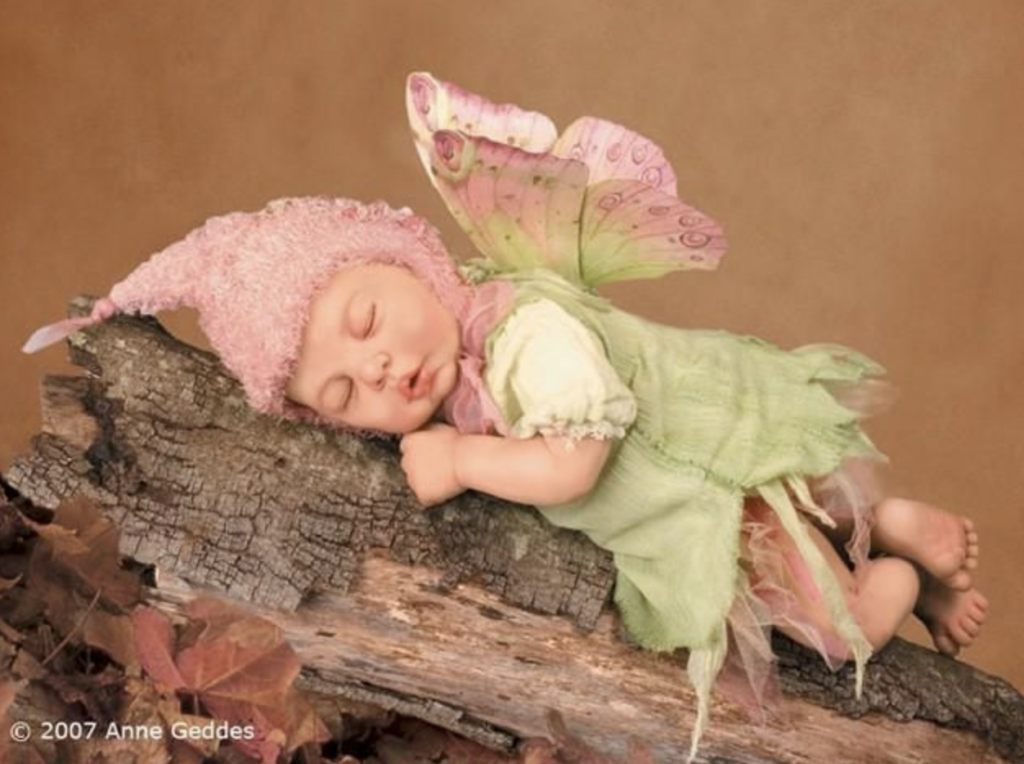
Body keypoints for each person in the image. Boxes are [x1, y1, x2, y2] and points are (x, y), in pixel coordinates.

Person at [22, 73, 987, 760]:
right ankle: (887, 548)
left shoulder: (524, 335)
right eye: (343, 394)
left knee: (823, 627)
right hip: (700, 461)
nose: (381, 368)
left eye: (367, 322)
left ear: (405, 263)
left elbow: (577, 465)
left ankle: (895, 555)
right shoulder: (466, 353)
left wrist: (460, 465)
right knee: (781, 506)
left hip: (682, 473)